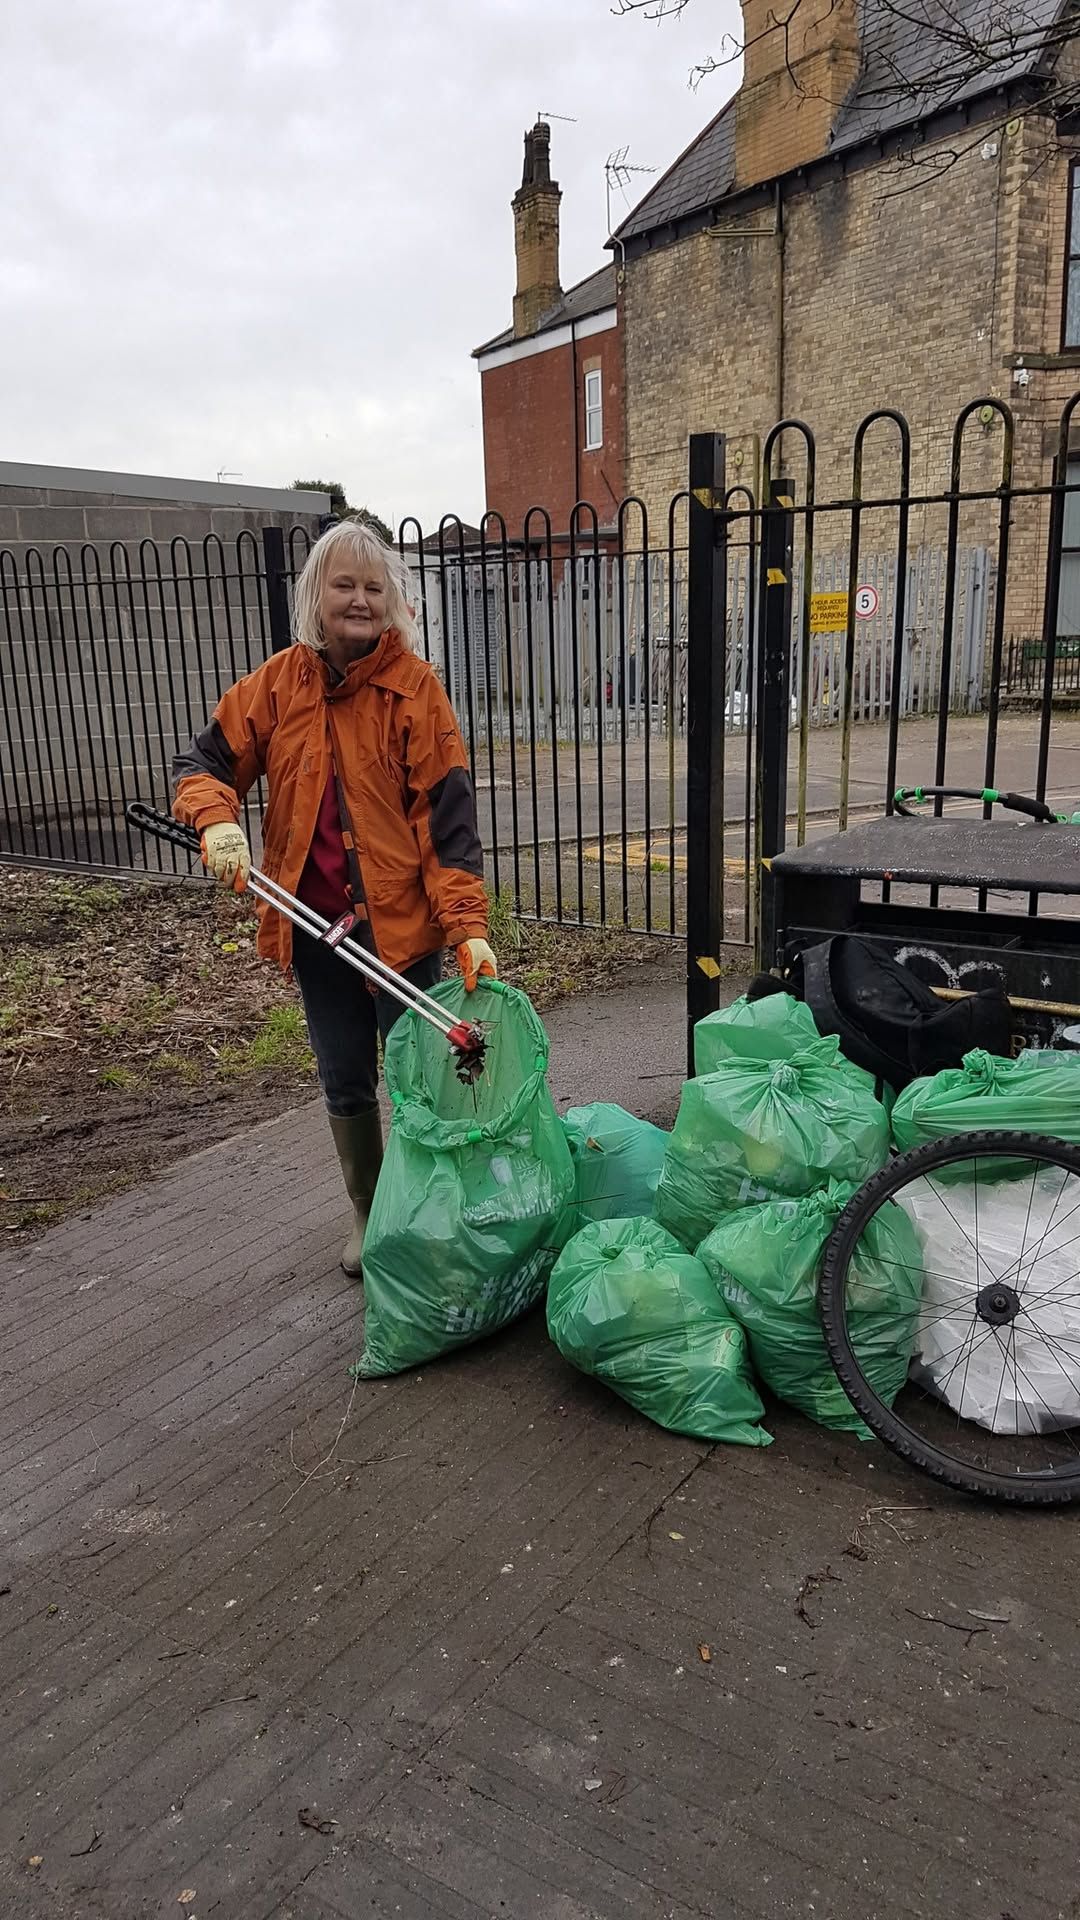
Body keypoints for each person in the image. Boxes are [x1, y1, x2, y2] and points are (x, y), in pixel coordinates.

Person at [172, 518, 496, 1276]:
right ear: (316, 597)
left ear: (394, 602)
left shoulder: (415, 691)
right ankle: (370, 1208)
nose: (359, 599)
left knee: (424, 1074)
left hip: (401, 933)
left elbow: (446, 824)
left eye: (373, 587)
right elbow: (203, 759)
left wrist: (467, 927)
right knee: (343, 1073)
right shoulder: (277, 685)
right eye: (343, 585)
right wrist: (217, 820)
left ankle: (437, 1206)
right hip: (315, 929)